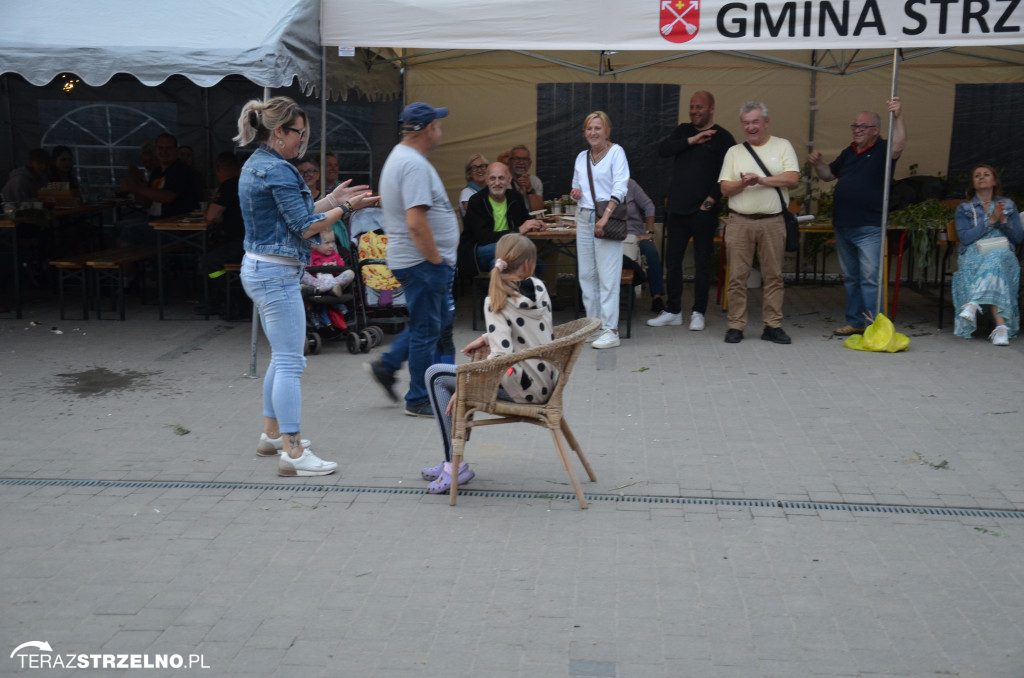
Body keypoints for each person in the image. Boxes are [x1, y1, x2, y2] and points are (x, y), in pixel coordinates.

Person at [234, 95, 378, 476]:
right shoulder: (278, 170)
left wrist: (331, 199)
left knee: (281, 358)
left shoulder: (259, 164)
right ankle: (294, 453)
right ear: (279, 131)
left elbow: (294, 215)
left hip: (262, 269)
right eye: (299, 133)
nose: (303, 140)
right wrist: (346, 210)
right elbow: (305, 226)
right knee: (290, 362)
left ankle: (272, 436)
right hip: (275, 274)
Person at [422, 233, 557, 493]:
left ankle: (454, 463)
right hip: (546, 382)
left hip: (522, 390)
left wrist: (466, 386)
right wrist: (488, 336)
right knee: (447, 377)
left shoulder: (495, 301)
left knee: (436, 375)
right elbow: (529, 330)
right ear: (528, 265)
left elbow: (500, 359)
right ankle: (452, 459)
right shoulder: (538, 287)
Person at [365, 102, 460, 417]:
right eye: (439, 126)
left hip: (416, 260)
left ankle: (388, 365)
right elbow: (416, 222)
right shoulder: (414, 165)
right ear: (429, 129)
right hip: (421, 262)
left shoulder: (403, 158)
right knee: (426, 330)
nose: (441, 132)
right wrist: (436, 262)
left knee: (429, 322)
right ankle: (419, 398)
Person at [808, 98, 907, 336]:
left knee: (870, 278)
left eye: (863, 127)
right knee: (852, 277)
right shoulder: (849, 151)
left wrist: (899, 116)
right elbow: (828, 175)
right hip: (843, 224)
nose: (858, 130)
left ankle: (875, 327)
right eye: (855, 126)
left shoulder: (884, 148)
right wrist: (818, 163)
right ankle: (855, 322)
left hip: (869, 226)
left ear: (876, 130)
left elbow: (899, 146)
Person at [650, 90, 735, 329]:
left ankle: (698, 312)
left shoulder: (723, 138)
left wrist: (710, 200)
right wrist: (692, 140)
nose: (695, 111)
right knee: (673, 261)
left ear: (711, 108)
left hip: (703, 211)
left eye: (699, 107)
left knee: (701, 262)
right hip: (677, 209)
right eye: (692, 107)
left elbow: (727, 173)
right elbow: (664, 149)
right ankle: (674, 310)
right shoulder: (683, 131)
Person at [718, 101, 800, 345]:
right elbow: (724, 188)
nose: (750, 127)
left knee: (773, 276)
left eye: (755, 122)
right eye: (746, 123)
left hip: (773, 222)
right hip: (739, 221)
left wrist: (760, 180)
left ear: (766, 122)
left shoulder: (782, 146)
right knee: (737, 277)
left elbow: (793, 178)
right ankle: (735, 325)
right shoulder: (734, 152)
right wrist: (743, 183)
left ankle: (772, 325)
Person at [570, 111, 630, 349]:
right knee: (587, 275)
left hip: (607, 217)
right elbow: (576, 188)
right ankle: (593, 326)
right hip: (584, 216)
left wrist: (605, 217)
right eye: (589, 129)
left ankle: (610, 330)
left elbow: (620, 185)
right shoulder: (581, 157)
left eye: (598, 128)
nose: (593, 133)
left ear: (607, 131)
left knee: (608, 277)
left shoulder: (616, 152)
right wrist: (576, 194)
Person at [952, 164, 1023, 345]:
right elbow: (965, 238)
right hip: (974, 254)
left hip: (1004, 253)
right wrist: (990, 221)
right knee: (995, 261)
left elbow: (1018, 237)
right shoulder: (964, 208)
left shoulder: (1007, 205)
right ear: (973, 183)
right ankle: (1001, 329)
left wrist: (1004, 220)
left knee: (998, 257)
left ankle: (973, 303)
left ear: (994, 181)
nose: (982, 177)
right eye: (977, 175)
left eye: (986, 174)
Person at [459, 161, 544, 277]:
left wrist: (536, 224)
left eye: (501, 178)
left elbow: (525, 220)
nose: (497, 183)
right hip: (481, 251)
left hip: (506, 254)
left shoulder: (515, 197)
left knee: (500, 265)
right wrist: (518, 231)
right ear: (487, 181)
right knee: (516, 250)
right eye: (493, 178)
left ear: (509, 180)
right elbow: (484, 238)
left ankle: (504, 294)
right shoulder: (476, 201)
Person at [120, 133, 199, 220]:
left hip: (175, 222)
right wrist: (137, 182)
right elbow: (147, 203)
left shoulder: (181, 170)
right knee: (121, 225)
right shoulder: (157, 171)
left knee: (128, 230)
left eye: (168, 148)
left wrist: (136, 188)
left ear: (176, 151)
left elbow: (168, 197)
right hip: (156, 219)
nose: (164, 152)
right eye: (160, 148)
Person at [622, 178, 665, 309]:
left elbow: (649, 206)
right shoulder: (597, 183)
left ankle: (657, 297)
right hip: (607, 235)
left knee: (651, 253)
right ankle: (583, 297)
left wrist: (649, 231)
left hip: (634, 233)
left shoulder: (630, 184)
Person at [508, 144, 544, 212]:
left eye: (525, 159)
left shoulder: (535, 181)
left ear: (530, 163)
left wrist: (529, 189)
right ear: (509, 161)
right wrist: (519, 193)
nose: (521, 162)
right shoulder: (501, 181)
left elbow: (539, 210)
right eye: (517, 159)